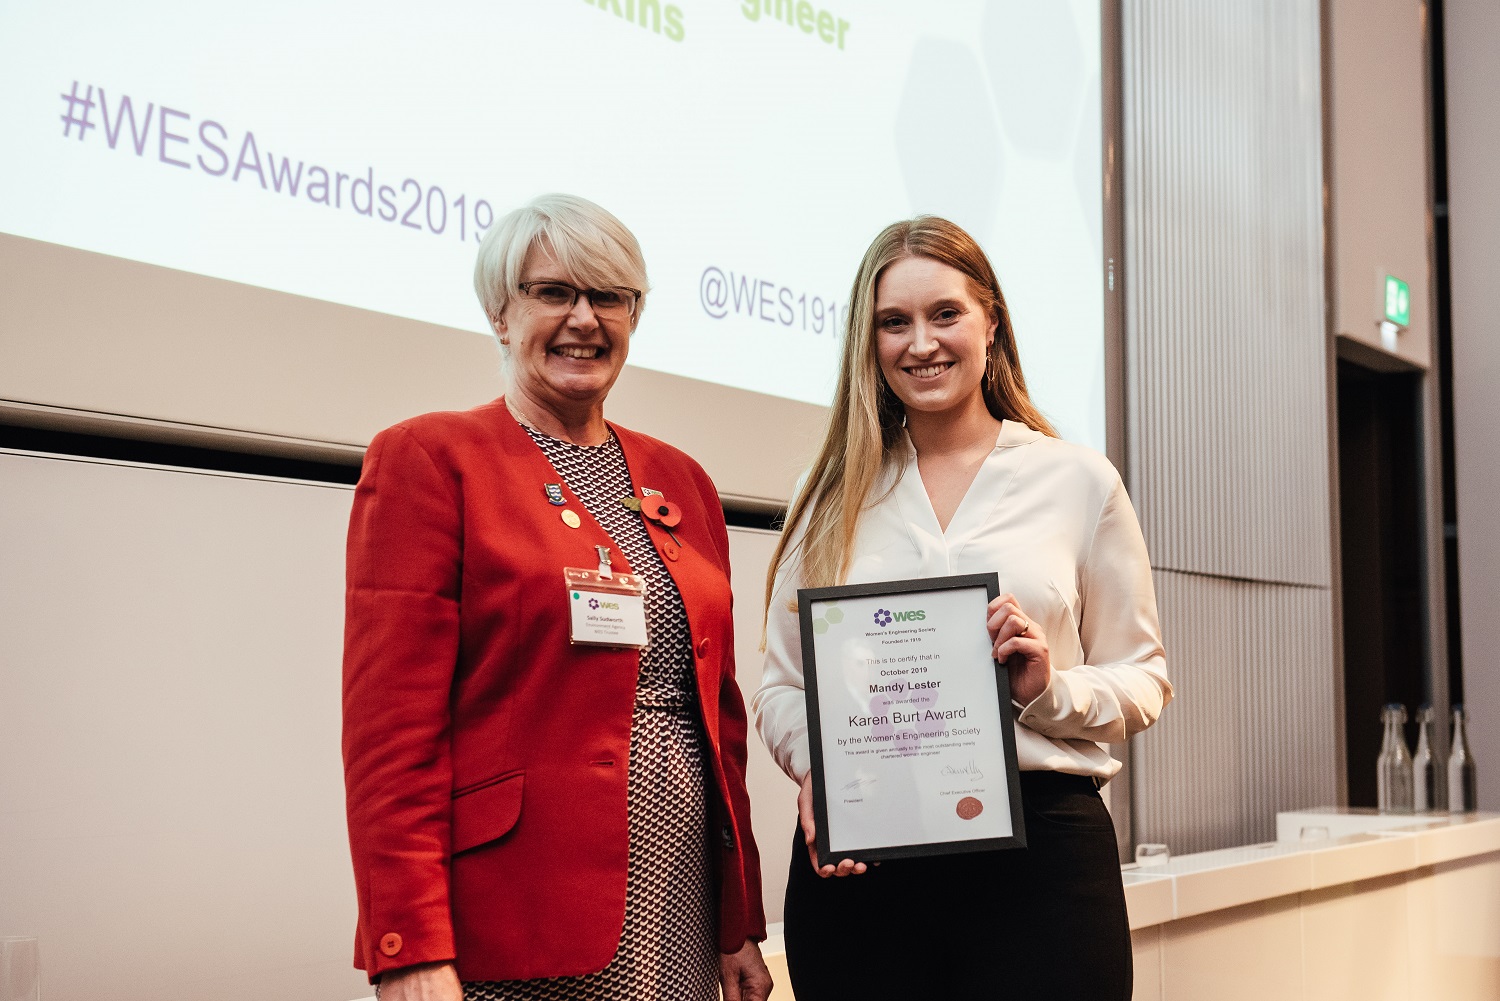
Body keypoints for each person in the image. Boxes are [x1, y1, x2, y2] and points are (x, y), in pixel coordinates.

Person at [342, 194, 772, 1001]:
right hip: (518, 912)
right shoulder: (431, 459)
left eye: (609, 296)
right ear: (500, 313)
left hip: (679, 903)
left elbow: (719, 719)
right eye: (553, 293)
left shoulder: (684, 480)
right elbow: (390, 734)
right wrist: (408, 943)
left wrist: (737, 917)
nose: (585, 318)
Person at [754, 216, 1172, 999]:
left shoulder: (1077, 480)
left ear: (992, 321)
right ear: (868, 341)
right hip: (863, 861)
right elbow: (781, 688)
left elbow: (1145, 677)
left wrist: (1049, 689)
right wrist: (817, 768)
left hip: (1041, 859)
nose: (921, 343)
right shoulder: (828, 497)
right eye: (894, 322)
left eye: (945, 313)